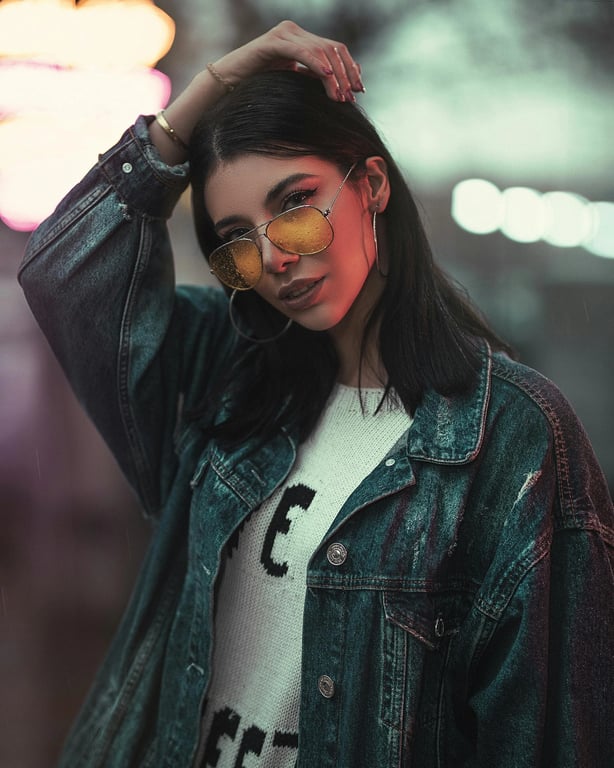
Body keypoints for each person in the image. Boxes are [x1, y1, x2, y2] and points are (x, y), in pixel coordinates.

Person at [18, 20, 613, 768]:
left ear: (370, 185)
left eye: (296, 204)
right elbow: (66, 272)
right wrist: (211, 89)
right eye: (238, 238)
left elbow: (550, 738)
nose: (275, 259)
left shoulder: (513, 440)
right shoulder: (226, 372)